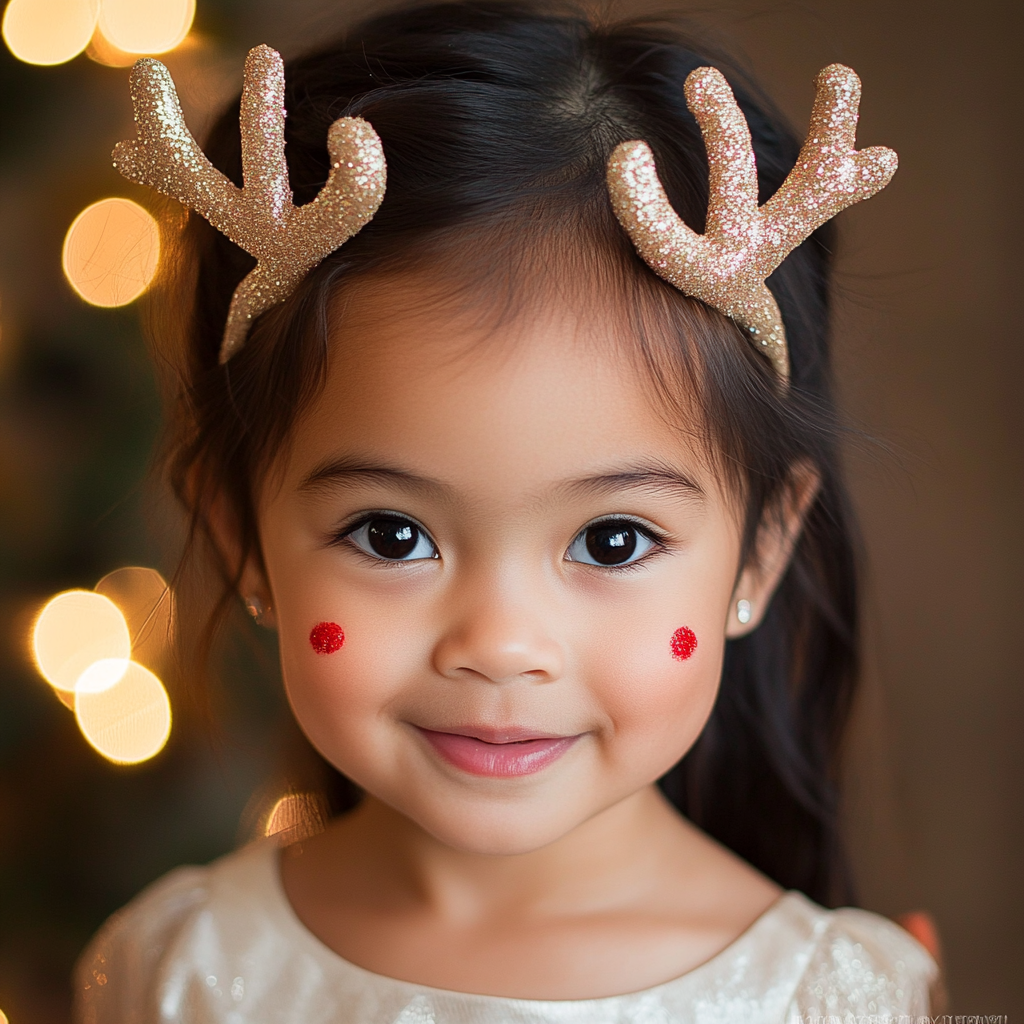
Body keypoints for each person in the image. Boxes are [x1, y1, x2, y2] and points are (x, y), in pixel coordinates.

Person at [74, 3, 940, 1019]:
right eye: (391, 534)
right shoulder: (170, 971)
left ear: (760, 552)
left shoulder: (835, 998)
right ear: (242, 536)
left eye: (612, 540)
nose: (500, 645)